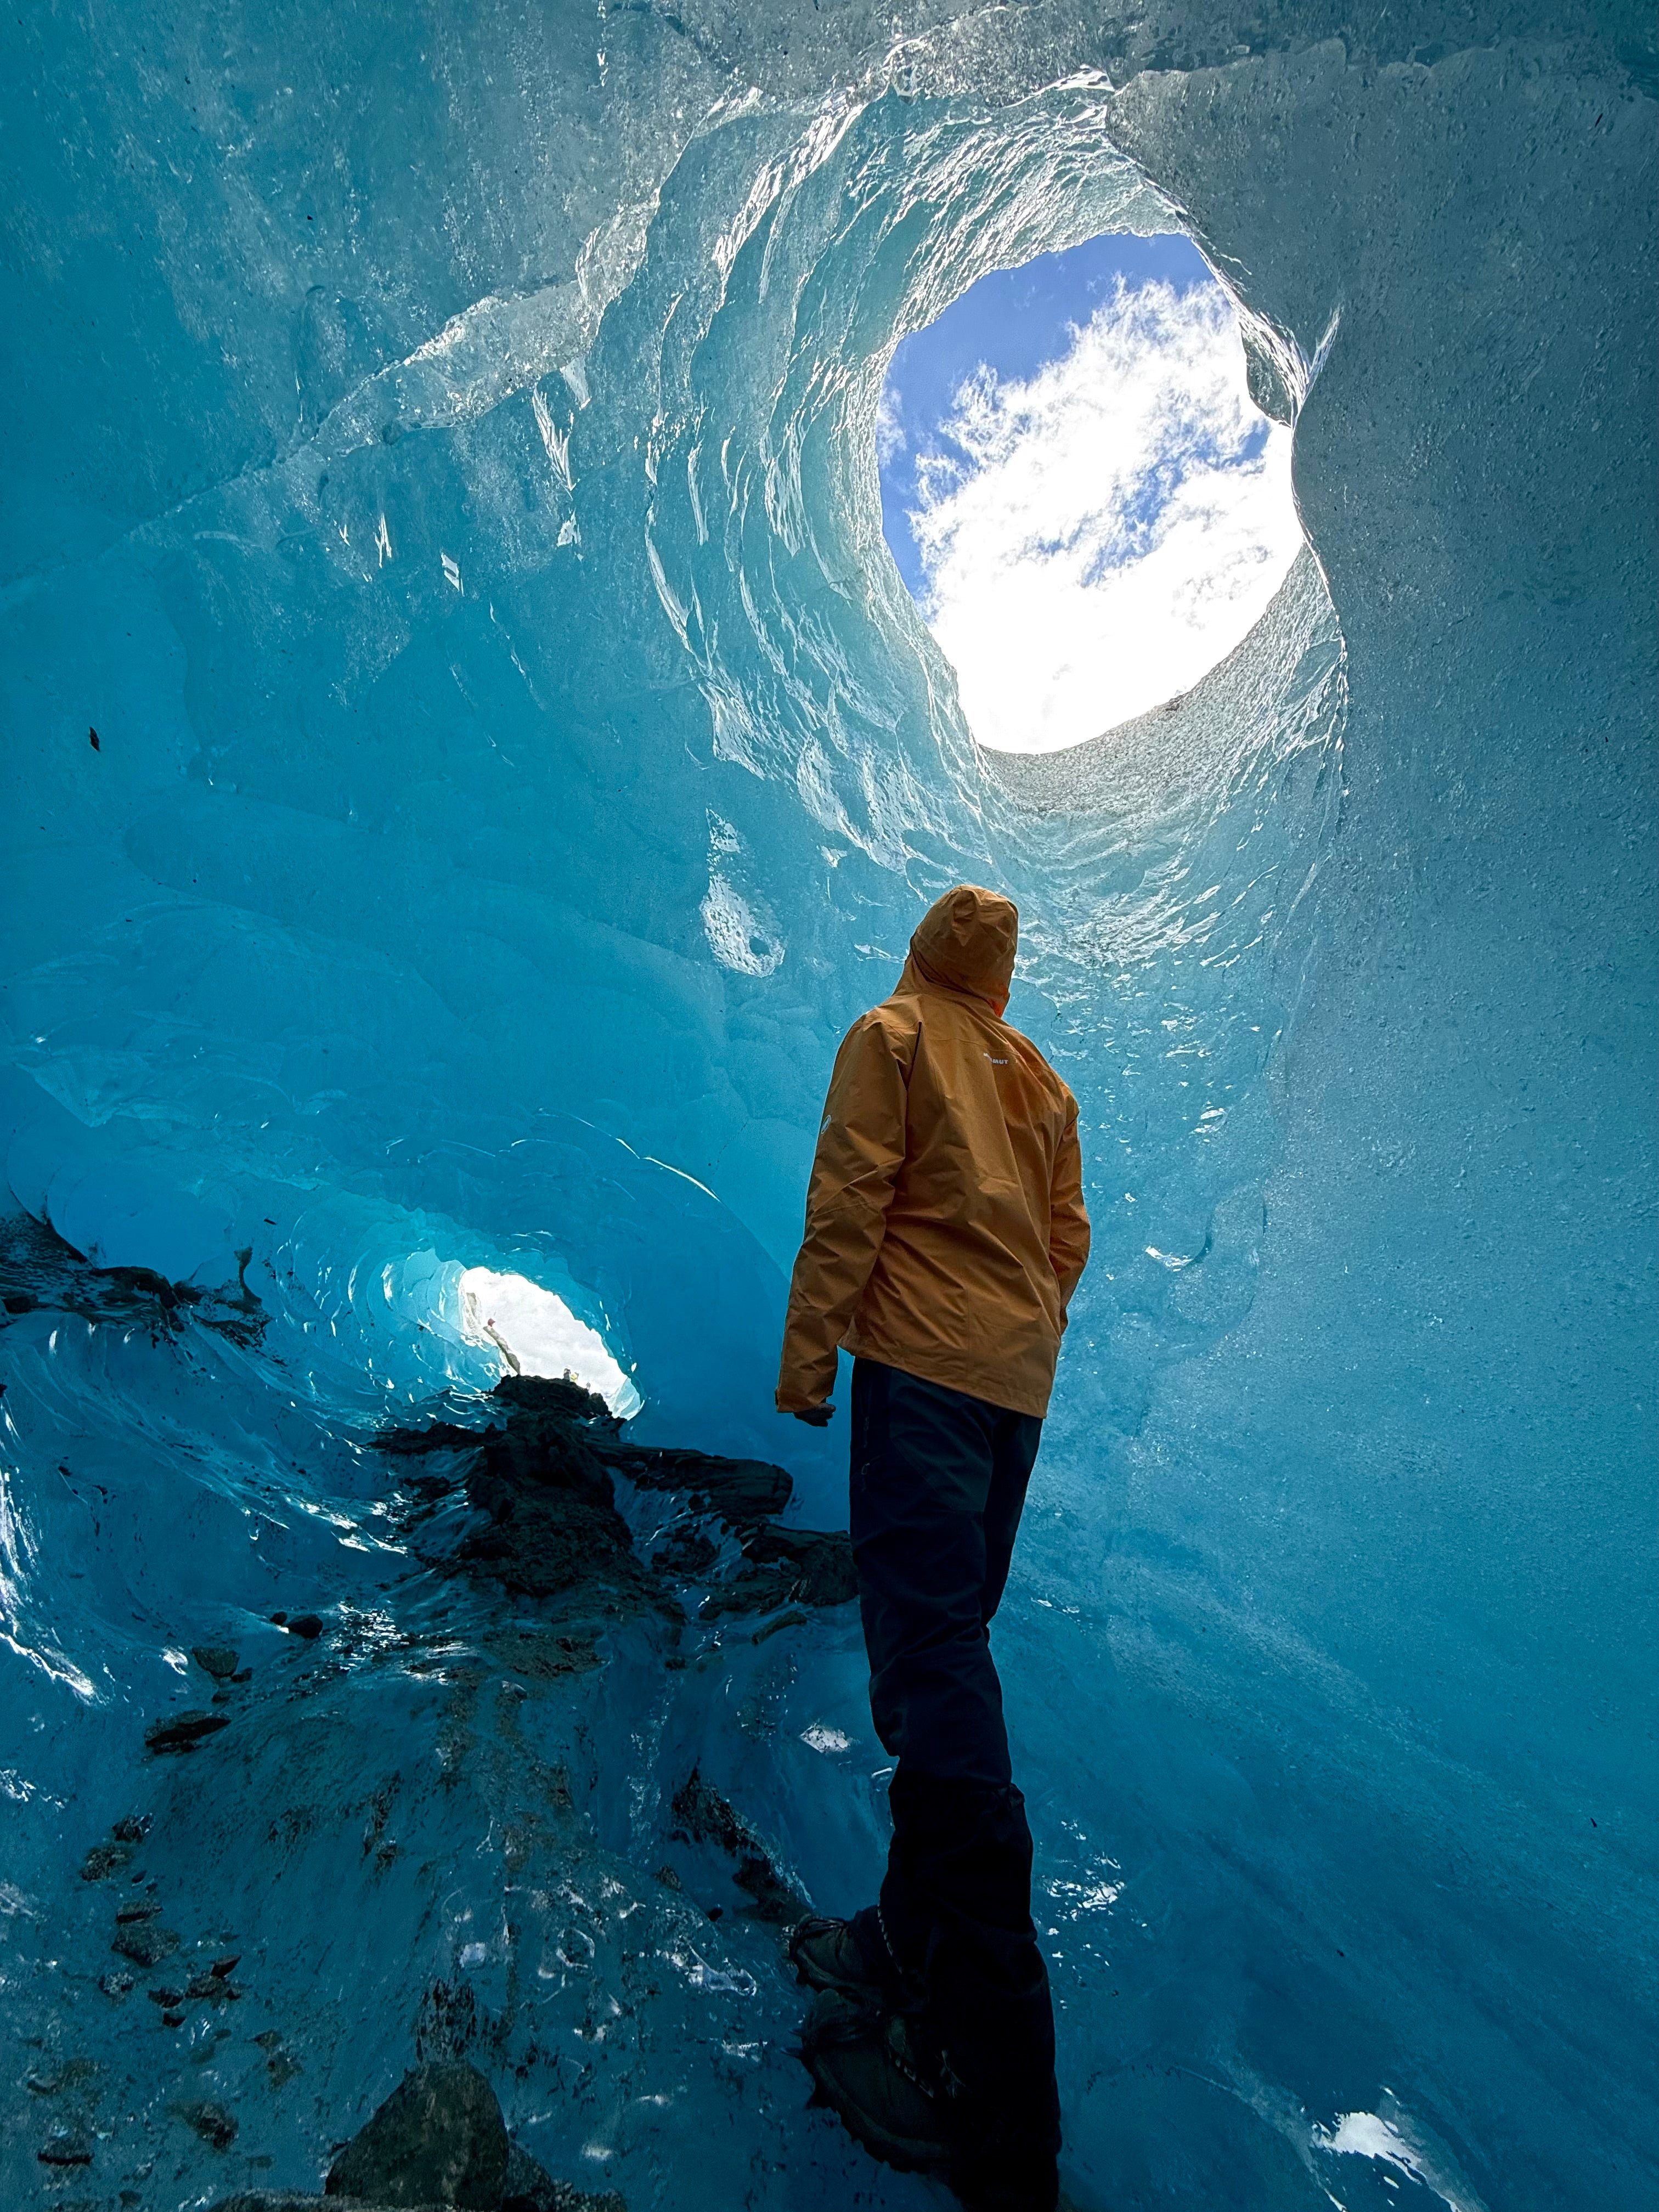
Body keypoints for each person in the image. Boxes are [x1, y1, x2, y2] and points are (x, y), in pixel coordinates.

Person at [776, 882, 1090, 2212]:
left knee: (933, 1670)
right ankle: (907, 1935)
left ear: (921, 951)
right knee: (943, 1653)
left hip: (918, 1372)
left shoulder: (891, 1033)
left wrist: (811, 1353)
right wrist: (1013, 1343)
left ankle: (993, 2080)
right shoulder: (1043, 1080)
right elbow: (1066, 1241)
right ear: (1003, 975)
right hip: (1011, 1394)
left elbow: (852, 1190)